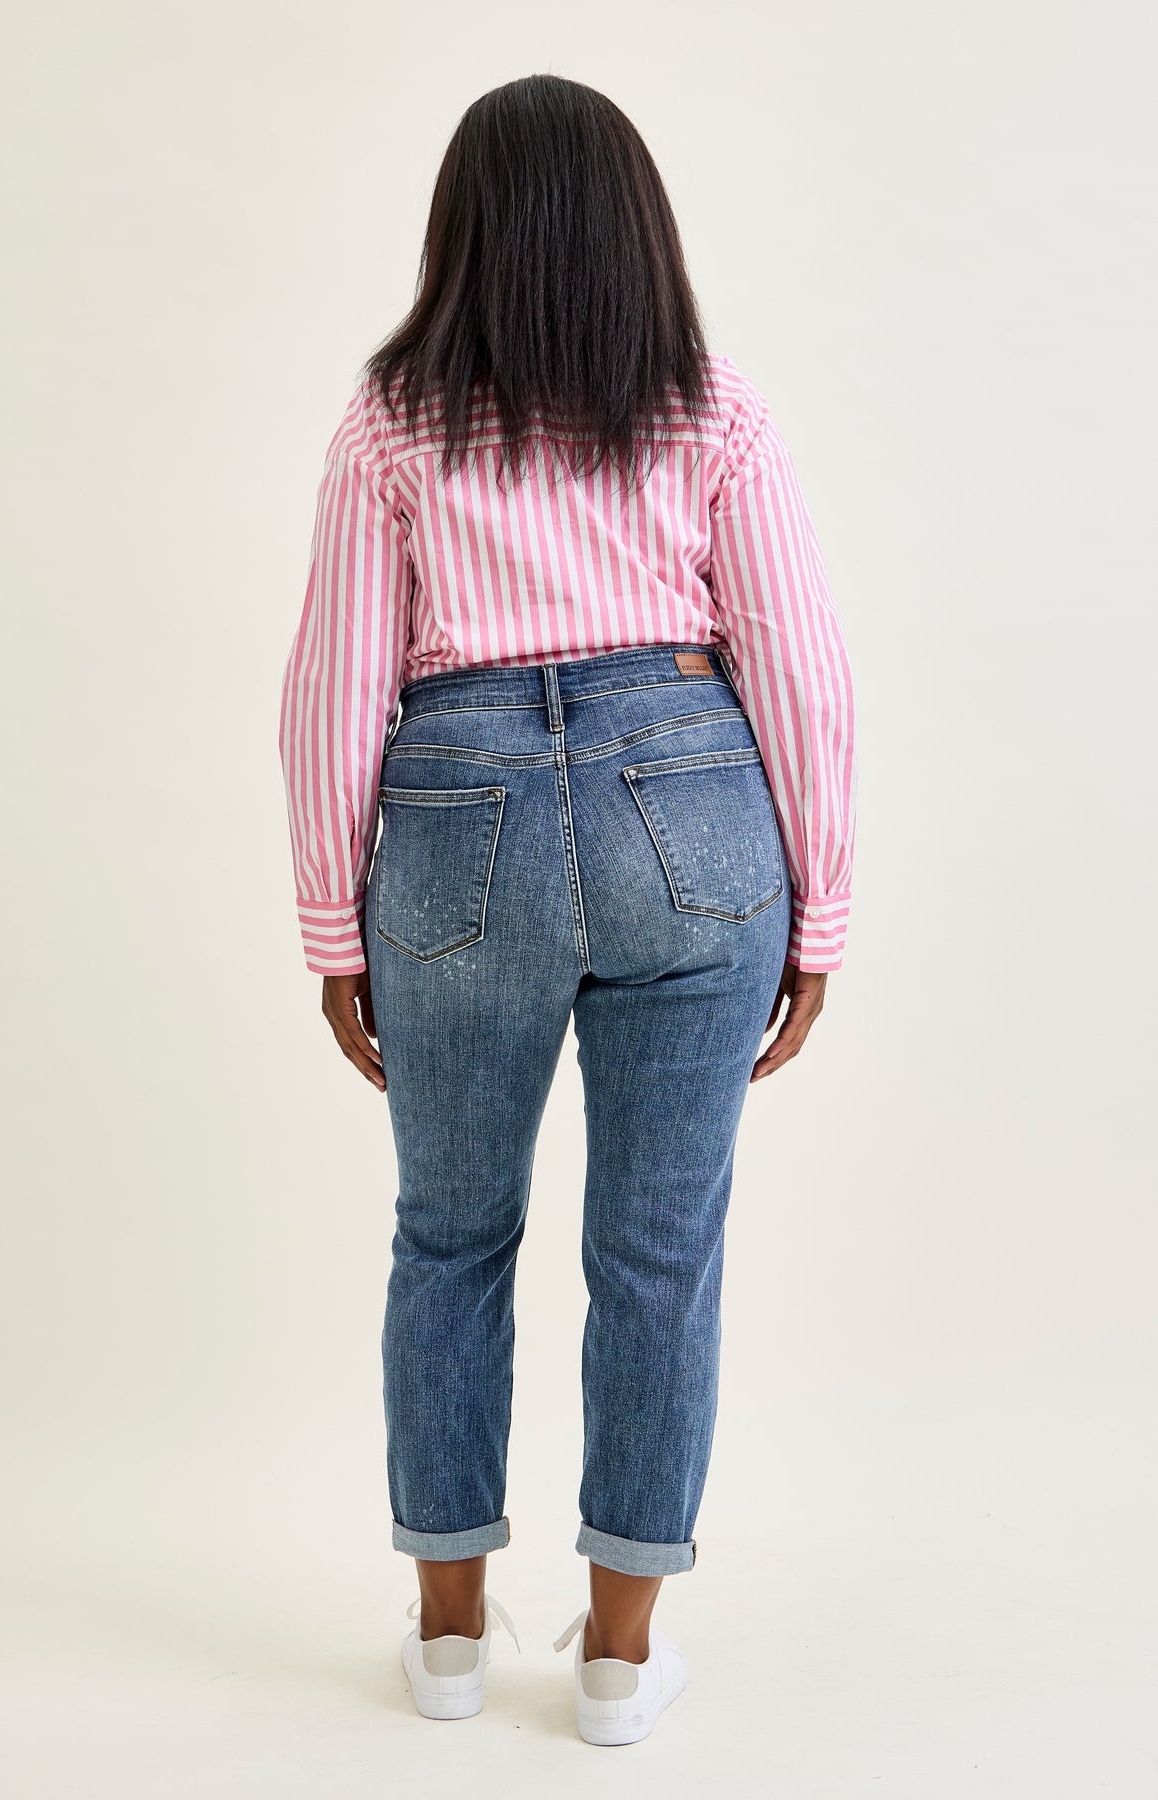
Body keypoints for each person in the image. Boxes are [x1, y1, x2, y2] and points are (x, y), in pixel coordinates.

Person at [278, 72, 857, 1746]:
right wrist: (819, 904)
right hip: (691, 800)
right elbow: (800, 665)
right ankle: (614, 1658)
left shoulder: (391, 421)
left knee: (448, 1236)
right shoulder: (710, 408)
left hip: (456, 820)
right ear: (633, 226)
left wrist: (332, 922)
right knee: (658, 1255)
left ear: (459, 228)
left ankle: (449, 1642)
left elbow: (333, 687)